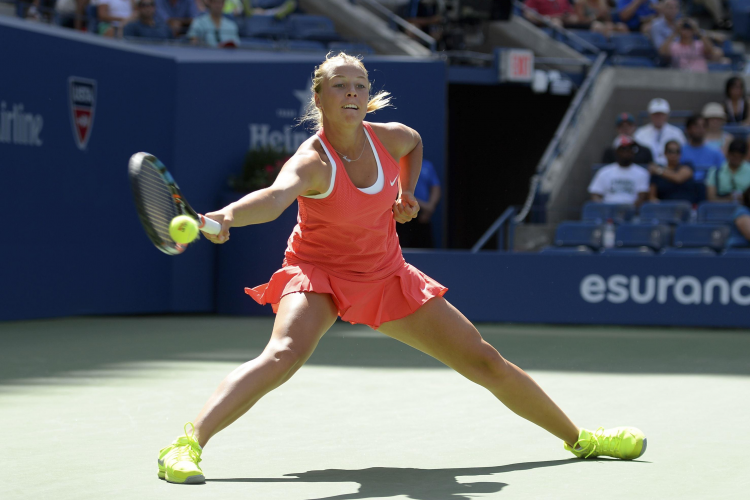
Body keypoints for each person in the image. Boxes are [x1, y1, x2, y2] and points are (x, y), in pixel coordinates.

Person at [155, 52, 647, 485]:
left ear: (368, 98)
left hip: (387, 275)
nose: (352, 92)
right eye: (340, 85)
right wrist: (224, 218)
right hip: (318, 273)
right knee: (284, 353)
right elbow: (274, 198)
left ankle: (581, 439)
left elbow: (413, 146)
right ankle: (187, 444)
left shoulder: (388, 138)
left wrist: (405, 192)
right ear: (320, 97)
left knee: (484, 361)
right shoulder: (312, 162)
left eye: (360, 85)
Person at [589, 135, 650, 206]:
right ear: (616, 151)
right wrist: (603, 209)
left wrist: (630, 211)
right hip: (608, 213)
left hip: (632, 213)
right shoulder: (604, 172)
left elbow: (642, 197)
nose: (627, 152)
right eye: (624, 148)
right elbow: (595, 194)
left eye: (630, 148)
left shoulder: (642, 173)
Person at [395, 158, 441, 248]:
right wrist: (425, 206)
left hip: (424, 216)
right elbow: (395, 190)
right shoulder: (396, 164)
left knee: (426, 248)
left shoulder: (427, 166)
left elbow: (436, 188)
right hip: (403, 214)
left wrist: (429, 209)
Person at [633, 97, 686, 165]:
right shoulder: (640, 133)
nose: (659, 117)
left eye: (662, 114)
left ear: (667, 115)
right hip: (646, 171)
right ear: (650, 115)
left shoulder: (677, 133)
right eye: (656, 114)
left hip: (671, 171)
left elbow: (682, 154)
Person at [680, 114, 725, 182]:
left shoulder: (716, 153)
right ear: (688, 129)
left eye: (703, 126)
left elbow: (723, 173)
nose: (700, 129)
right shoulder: (679, 151)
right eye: (696, 126)